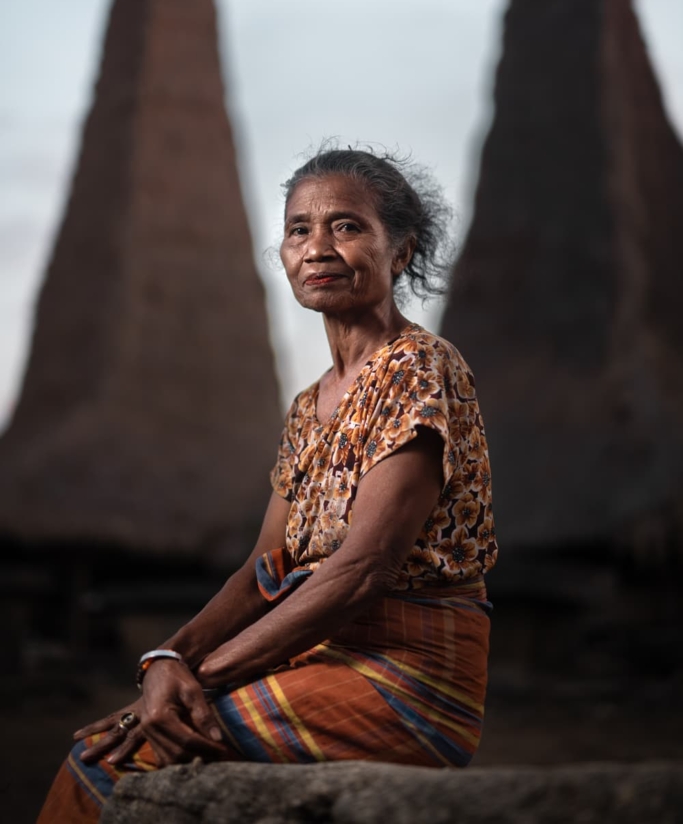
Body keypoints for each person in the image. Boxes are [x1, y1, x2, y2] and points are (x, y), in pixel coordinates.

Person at [37, 147, 497, 823]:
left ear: (400, 252)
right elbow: (264, 568)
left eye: (346, 227)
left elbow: (364, 567)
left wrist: (202, 678)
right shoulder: (308, 406)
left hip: (404, 678)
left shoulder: (418, 368)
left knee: (111, 762)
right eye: (297, 229)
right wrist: (168, 658)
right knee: (115, 746)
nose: (317, 248)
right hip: (317, 659)